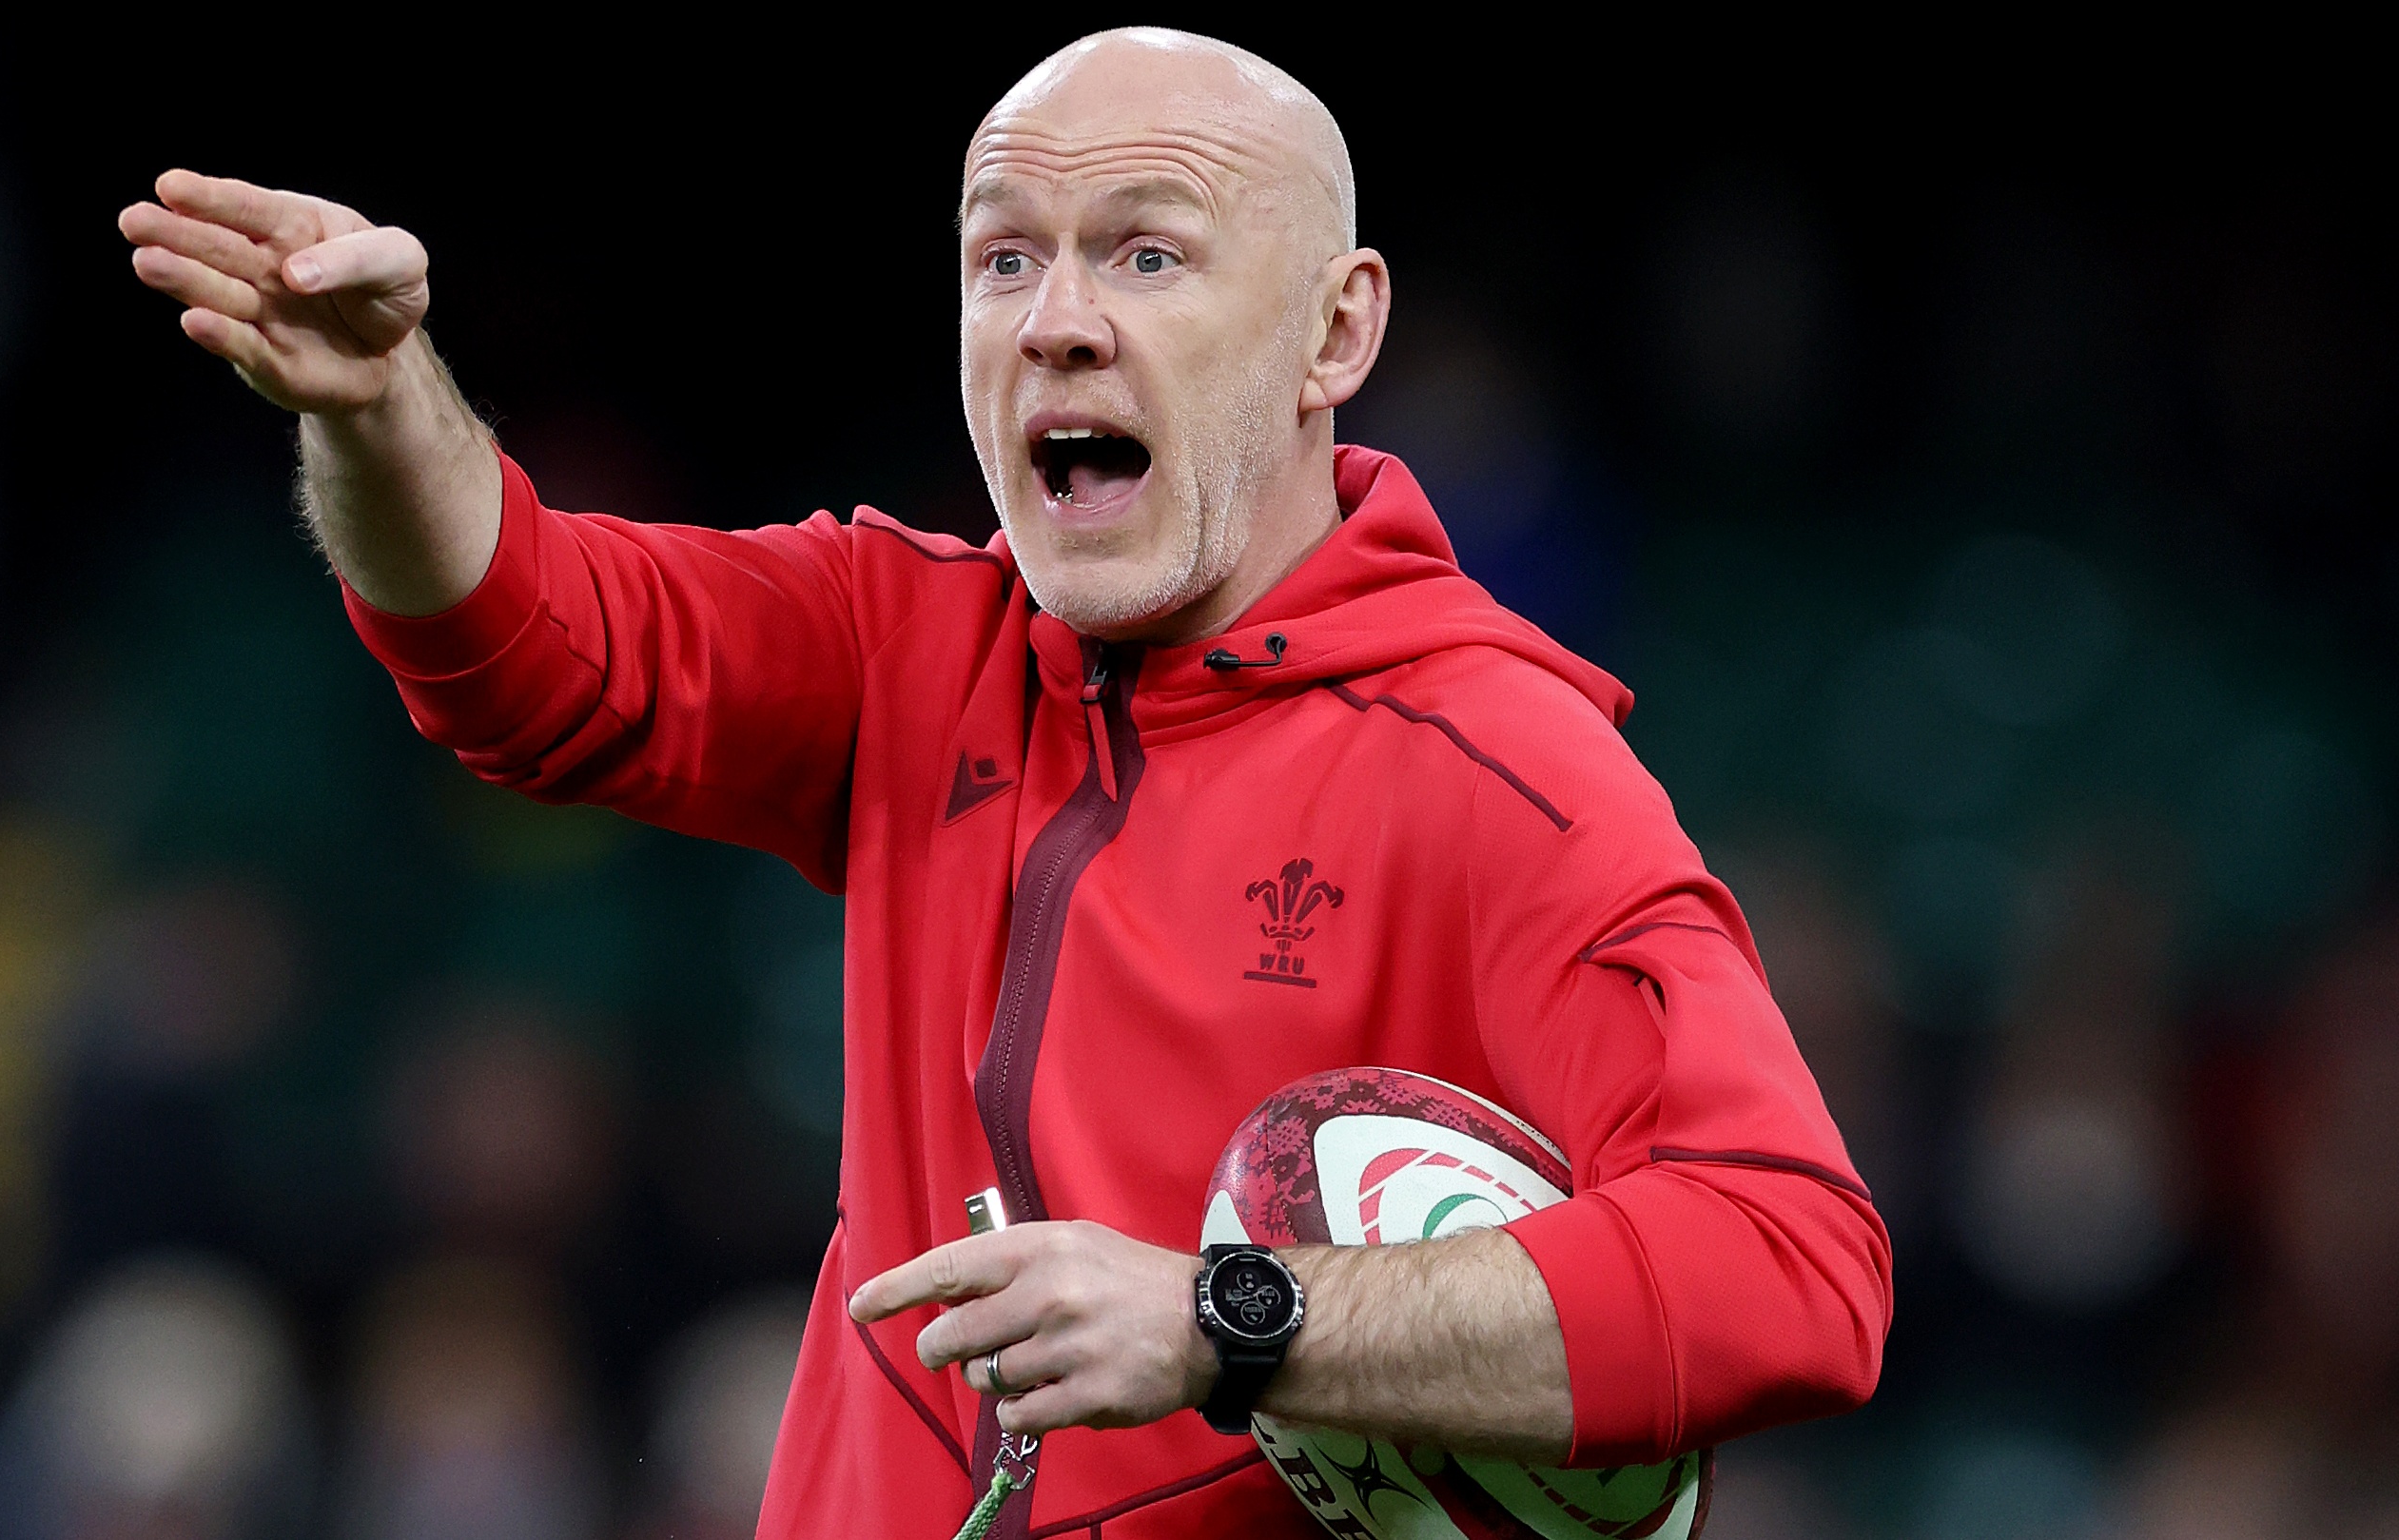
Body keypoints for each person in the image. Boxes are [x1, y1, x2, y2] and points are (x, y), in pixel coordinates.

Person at [120, 27, 1891, 1537]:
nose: (1055, 322)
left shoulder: (1500, 764)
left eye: (1146, 255)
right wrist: (378, 410)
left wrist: (1230, 1319)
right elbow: (521, 640)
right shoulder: (906, 647)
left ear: (1334, 335)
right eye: (1002, 260)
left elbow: (1792, 1266)